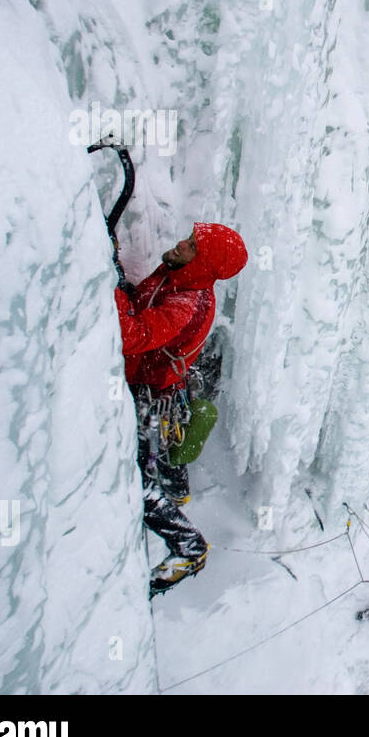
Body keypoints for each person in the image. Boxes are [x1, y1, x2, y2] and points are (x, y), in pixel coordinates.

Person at [114, 222, 248, 595]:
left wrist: (109, 290)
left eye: (190, 245)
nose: (179, 244)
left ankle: (189, 546)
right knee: (157, 468)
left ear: (202, 265)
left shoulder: (186, 302)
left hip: (148, 395)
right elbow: (141, 305)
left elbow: (133, 336)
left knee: (137, 487)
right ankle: (176, 489)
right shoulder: (178, 274)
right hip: (156, 387)